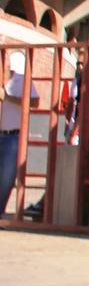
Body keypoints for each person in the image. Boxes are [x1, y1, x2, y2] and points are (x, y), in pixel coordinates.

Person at [1, 50, 39, 217]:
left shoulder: (23, 80)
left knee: (5, 178)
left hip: (12, 136)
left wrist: (7, 97)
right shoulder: (5, 80)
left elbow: (35, 102)